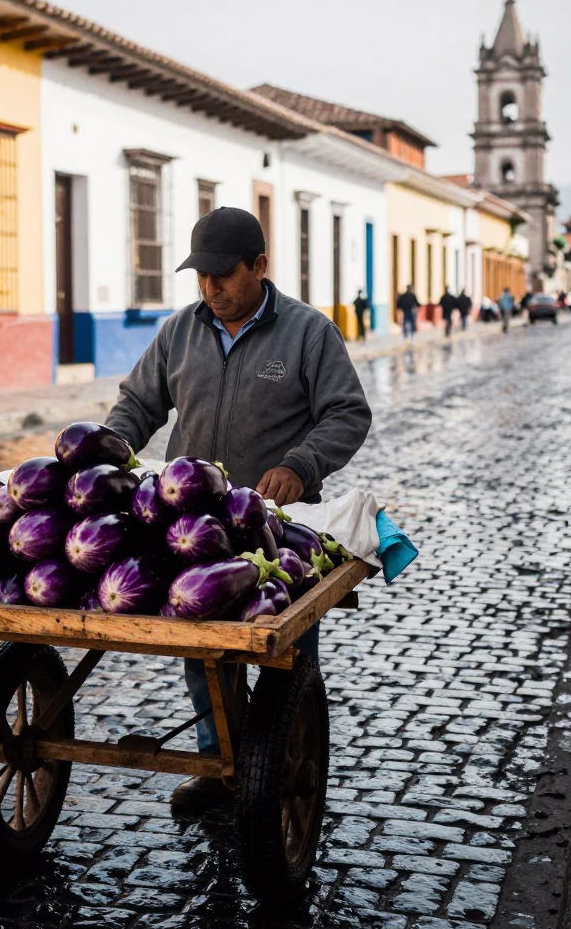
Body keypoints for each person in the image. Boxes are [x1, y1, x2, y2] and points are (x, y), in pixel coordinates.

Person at [105, 207, 372, 810]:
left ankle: (287, 761)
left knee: (283, 656)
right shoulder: (179, 331)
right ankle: (220, 763)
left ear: (259, 266)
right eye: (201, 276)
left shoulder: (308, 332)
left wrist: (301, 465)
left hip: (278, 530)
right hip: (192, 526)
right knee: (202, 647)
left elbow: (348, 413)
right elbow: (138, 404)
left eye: (223, 275)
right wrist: (103, 451)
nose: (210, 289)